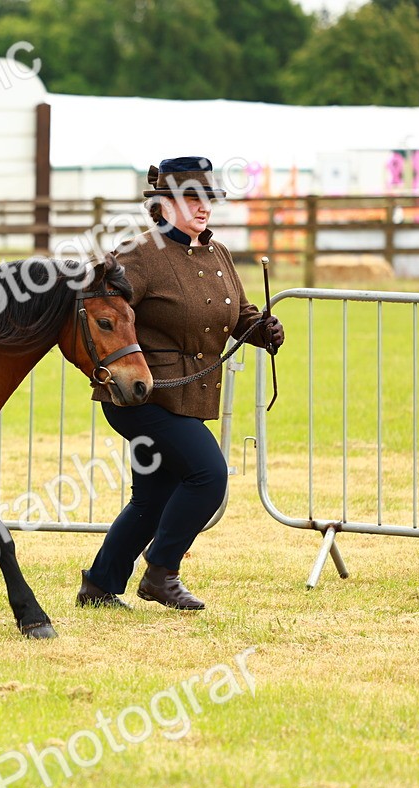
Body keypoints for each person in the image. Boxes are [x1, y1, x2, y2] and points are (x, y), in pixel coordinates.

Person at [76, 156, 286, 611]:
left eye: (208, 198)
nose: (203, 207)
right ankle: (162, 572)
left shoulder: (218, 253)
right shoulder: (140, 255)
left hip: (188, 395)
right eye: (192, 198)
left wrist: (262, 329)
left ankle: (99, 586)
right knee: (209, 475)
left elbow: (237, 314)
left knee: (152, 499)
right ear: (165, 204)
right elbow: (100, 309)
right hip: (142, 396)